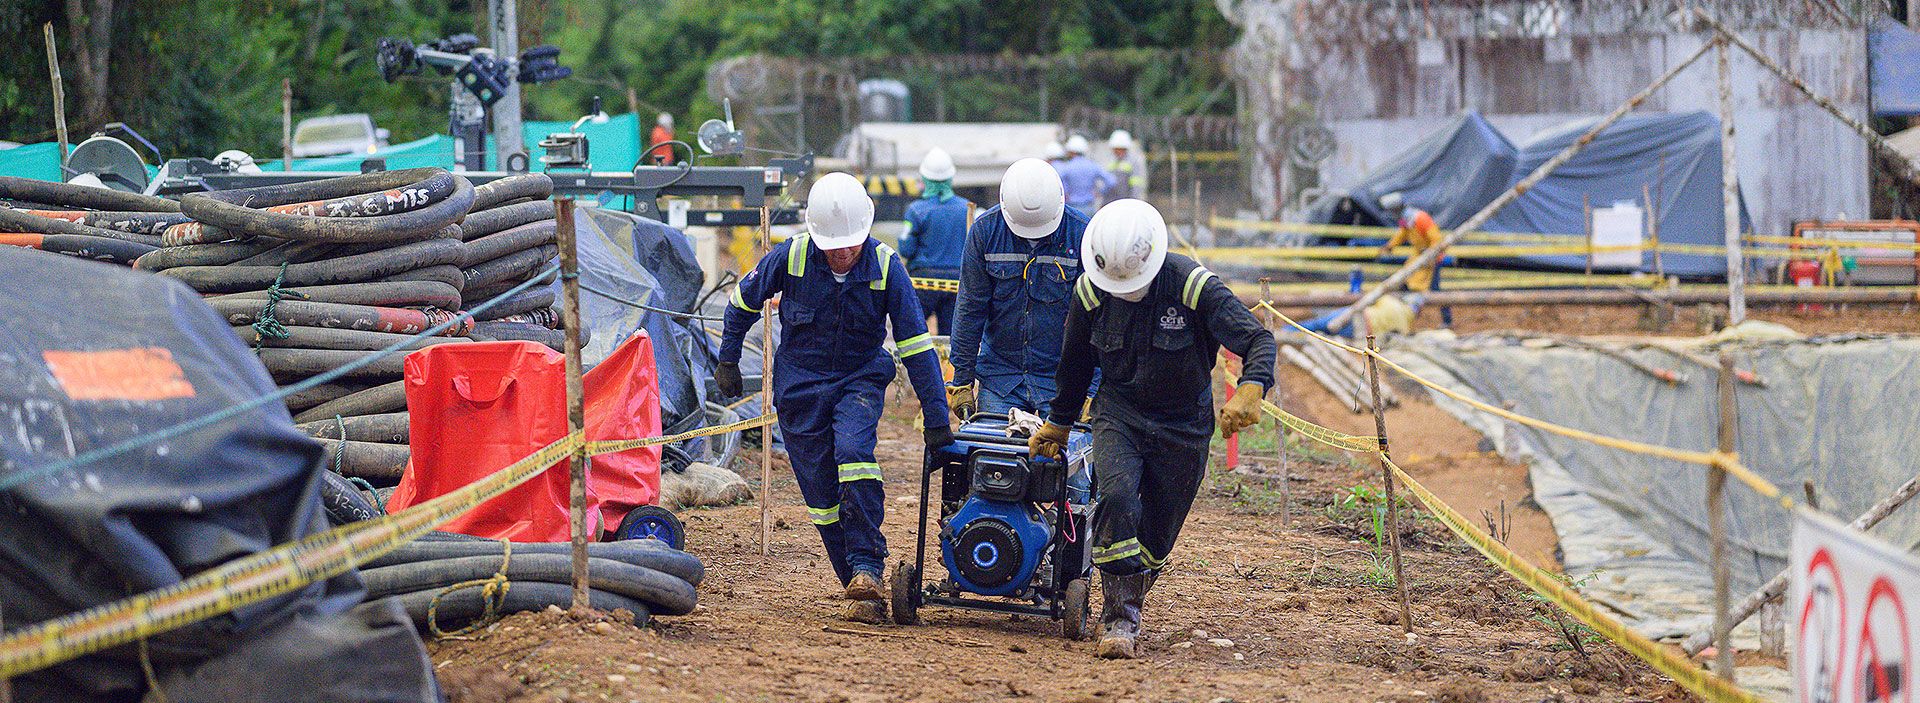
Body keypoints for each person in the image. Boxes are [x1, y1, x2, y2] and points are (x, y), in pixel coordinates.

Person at [1029, 199, 1276, 659]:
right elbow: (1075, 364)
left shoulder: (1192, 286)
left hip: (1184, 425)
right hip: (1119, 413)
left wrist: (1253, 384)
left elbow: (1257, 338)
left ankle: (1129, 597)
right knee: (1117, 497)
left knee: (1157, 538)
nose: (1125, 291)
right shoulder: (1090, 292)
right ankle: (1118, 622)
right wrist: (1059, 423)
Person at [716, 172, 953, 623]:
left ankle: (868, 563)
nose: (843, 252)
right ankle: (858, 585)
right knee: (822, 497)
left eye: (851, 243)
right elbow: (741, 303)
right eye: (834, 244)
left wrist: (936, 415)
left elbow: (916, 345)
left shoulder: (886, 266)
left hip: (858, 380)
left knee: (854, 454)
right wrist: (728, 359)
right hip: (799, 387)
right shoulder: (791, 257)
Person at [946, 158, 1094, 419]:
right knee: (993, 457)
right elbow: (970, 309)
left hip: (1062, 382)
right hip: (1002, 380)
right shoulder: (985, 232)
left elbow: (1097, 320)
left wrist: (1091, 389)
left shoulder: (1082, 235)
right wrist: (962, 378)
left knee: (1064, 457)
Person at [900, 148, 970, 334]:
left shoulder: (916, 210)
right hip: (957, 281)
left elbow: (906, 249)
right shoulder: (967, 209)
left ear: (924, 178)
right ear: (950, 178)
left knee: (913, 334)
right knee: (950, 340)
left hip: (923, 282)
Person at [1375, 191, 1453, 327]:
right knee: (1406, 282)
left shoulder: (1420, 219)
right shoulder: (1407, 220)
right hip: (1418, 257)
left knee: (1435, 290)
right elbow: (1402, 234)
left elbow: (1436, 239)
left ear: (1396, 209)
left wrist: (1430, 256)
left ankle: (1447, 320)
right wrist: (1390, 245)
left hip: (1431, 258)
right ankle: (1408, 316)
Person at [1054, 135, 1115, 213]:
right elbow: (1111, 181)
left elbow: (1057, 182)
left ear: (1071, 152)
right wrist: (1100, 192)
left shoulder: (1067, 167)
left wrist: (1065, 194)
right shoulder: (1093, 166)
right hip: (1089, 207)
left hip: (1072, 208)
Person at [1103, 130, 1147, 202]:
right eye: (1115, 149)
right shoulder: (1111, 161)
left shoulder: (1133, 162)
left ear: (1125, 148)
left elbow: (1136, 185)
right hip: (1111, 201)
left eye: (1119, 149)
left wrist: (1133, 202)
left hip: (1126, 201)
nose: (1116, 151)